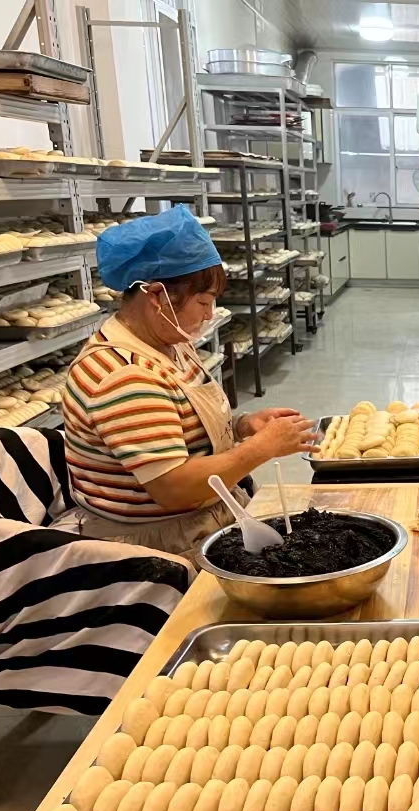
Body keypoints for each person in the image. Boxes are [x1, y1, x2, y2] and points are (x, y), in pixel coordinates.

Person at [52, 207, 318, 561]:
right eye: (203, 301)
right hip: (155, 547)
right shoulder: (125, 375)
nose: (209, 314)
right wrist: (260, 449)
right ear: (157, 297)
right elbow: (174, 487)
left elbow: (177, 429)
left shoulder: (167, 343)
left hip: (203, 518)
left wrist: (242, 426)